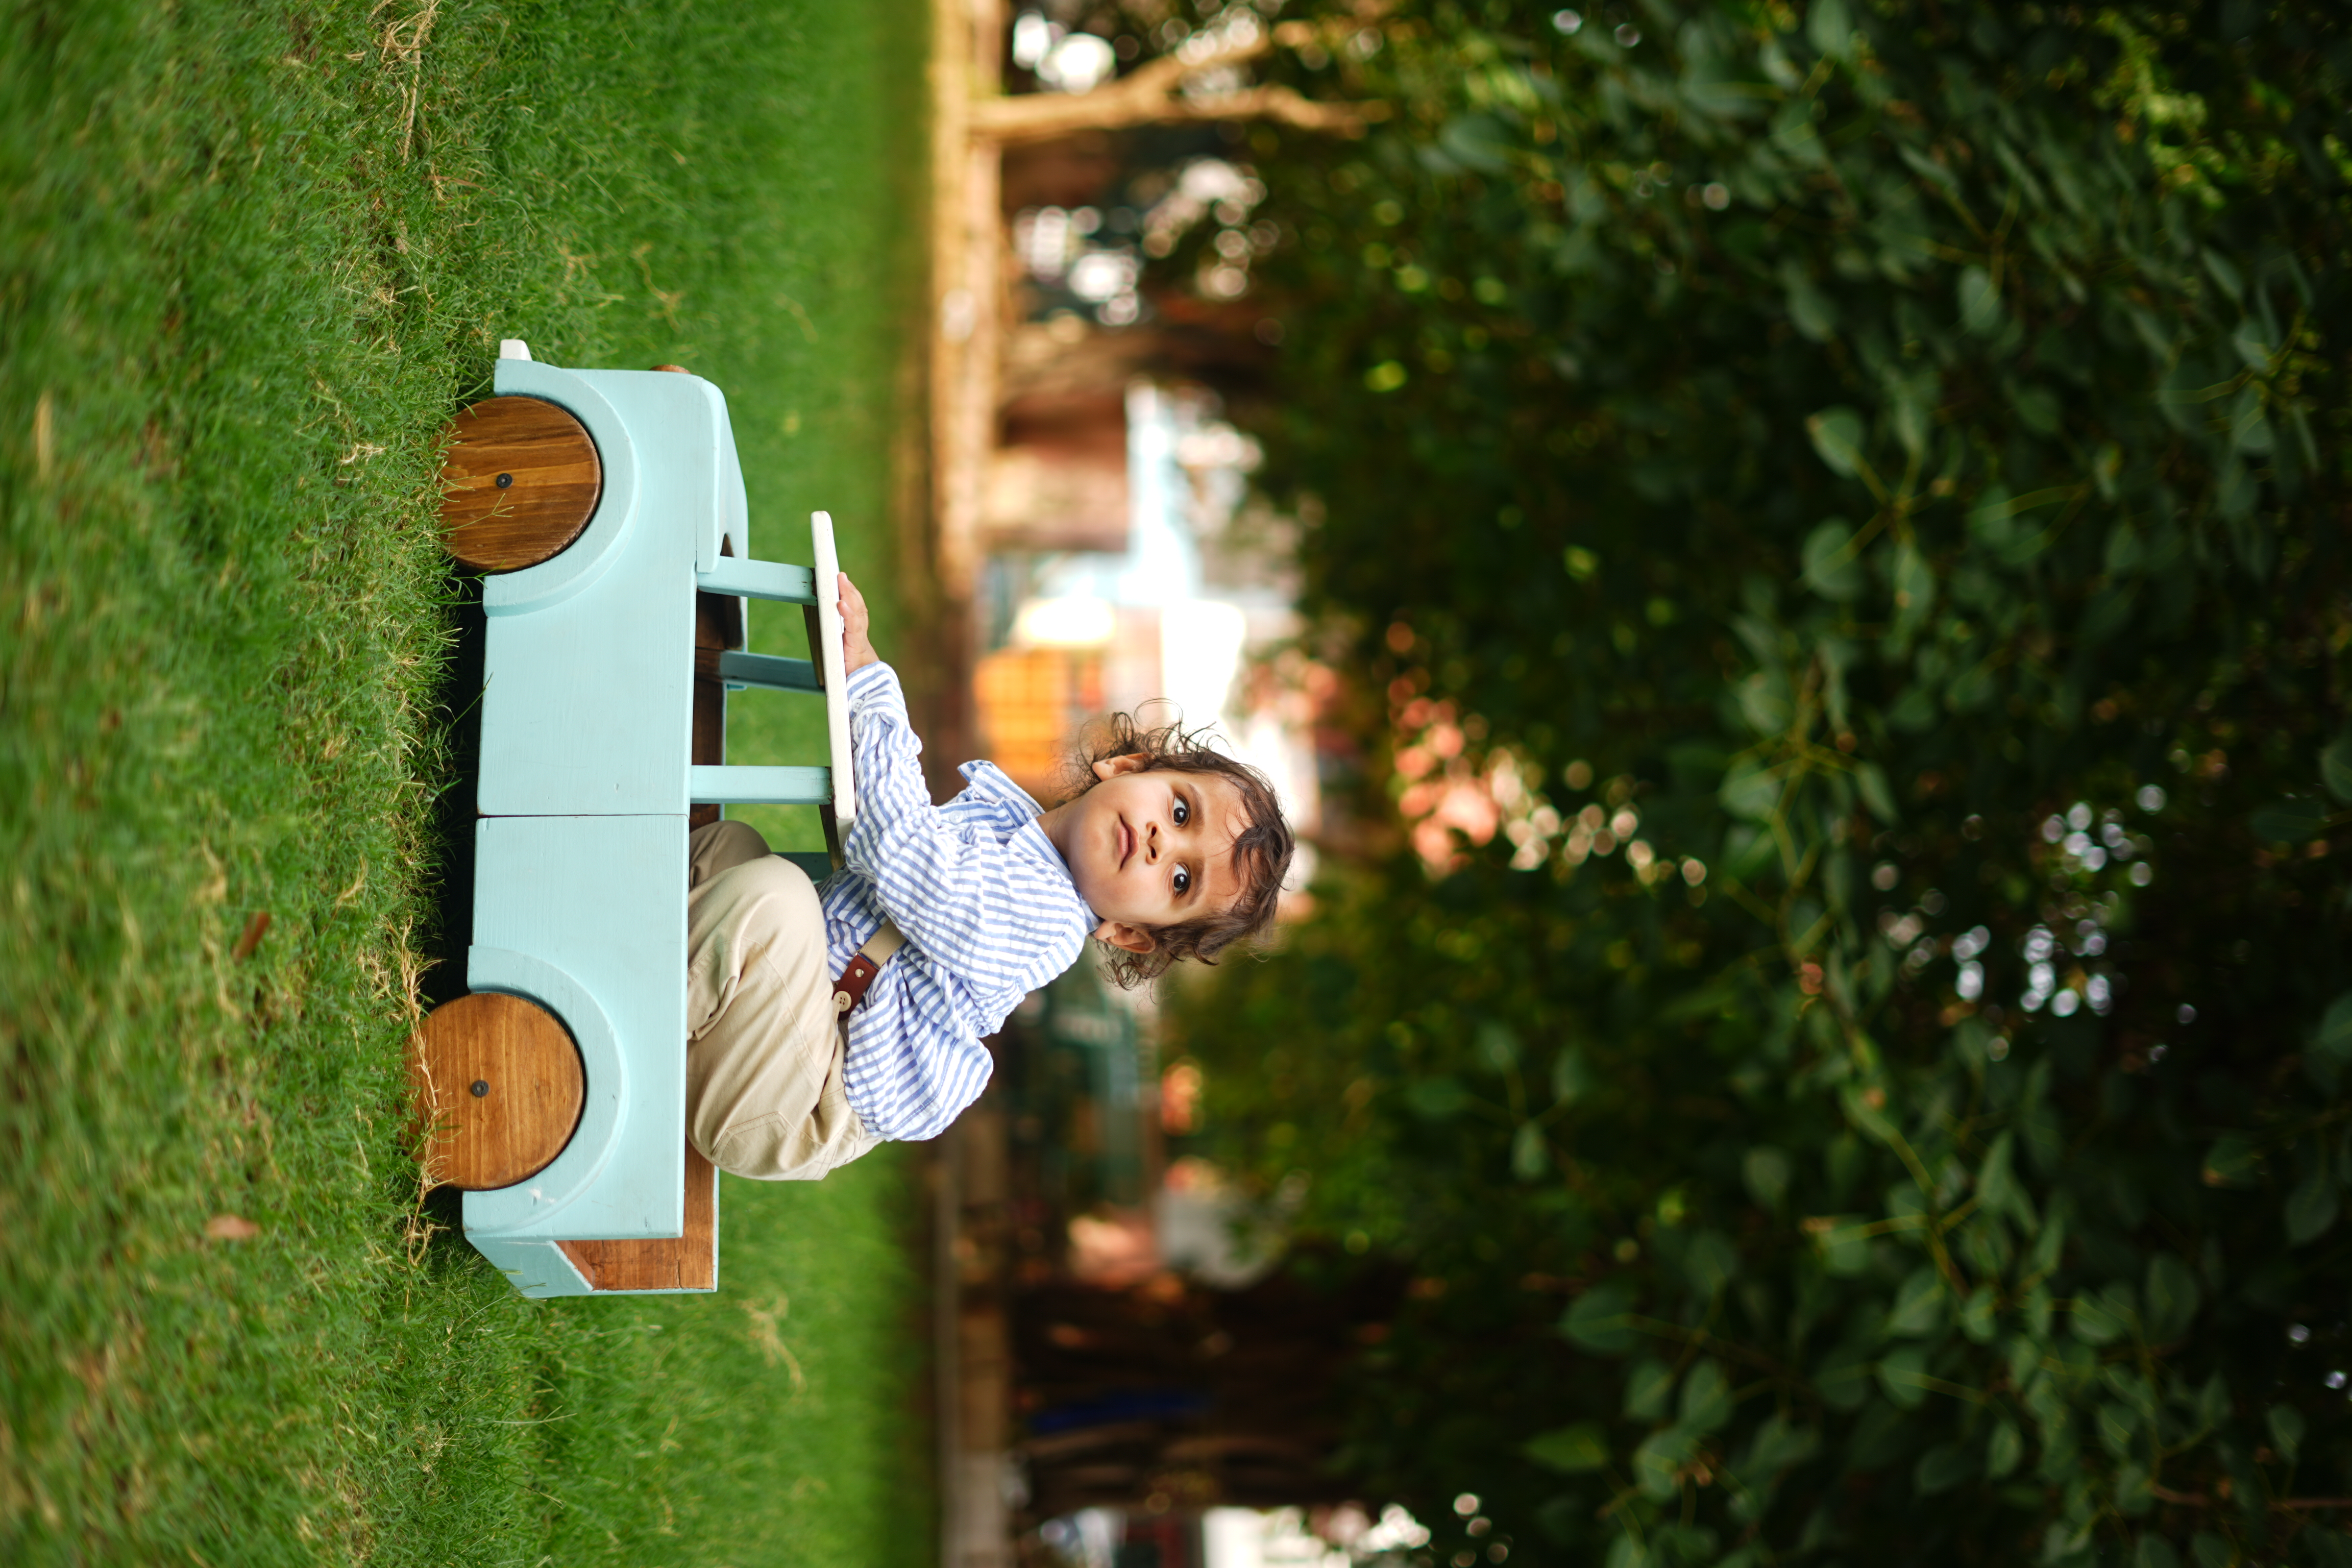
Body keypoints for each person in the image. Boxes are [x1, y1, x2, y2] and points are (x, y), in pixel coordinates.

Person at [683, 572, 1295, 1180]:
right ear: (1127, 766)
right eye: (1181, 811)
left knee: (775, 897)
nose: (1165, 844)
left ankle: (623, 1023)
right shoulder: (1006, 824)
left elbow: (902, 849)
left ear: (1130, 933)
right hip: (787, 1027)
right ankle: (622, 935)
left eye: (1182, 881)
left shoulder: (1044, 922)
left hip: (795, 1101)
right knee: (734, 849)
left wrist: (867, 676)